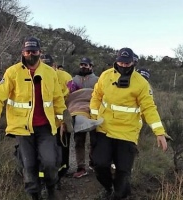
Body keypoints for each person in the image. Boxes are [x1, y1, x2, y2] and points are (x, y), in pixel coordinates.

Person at [0, 36, 72, 200]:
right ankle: (34, 195)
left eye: (34, 51)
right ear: (22, 52)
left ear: (40, 52)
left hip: (46, 127)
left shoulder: (49, 72)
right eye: (27, 51)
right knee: (29, 165)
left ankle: (52, 188)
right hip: (22, 128)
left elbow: (57, 99)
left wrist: (62, 120)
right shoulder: (12, 72)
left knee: (49, 161)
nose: (30, 54)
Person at [90, 47, 168, 199]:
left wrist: (159, 132)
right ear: (116, 61)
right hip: (105, 128)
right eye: (121, 62)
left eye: (127, 63)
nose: (124, 65)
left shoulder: (141, 83)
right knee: (99, 164)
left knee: (123, 171)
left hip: (127, 132)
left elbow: (149, 108)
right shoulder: (106, 76)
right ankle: (108, 187)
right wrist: (93, 119)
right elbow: (96, 97)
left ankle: (119, 194)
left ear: (133, 62)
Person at [40, 53, 73, 190]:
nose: (47, 68)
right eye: (44, 65)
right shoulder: (37, 76)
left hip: (62, 117)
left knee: (62, 150)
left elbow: (70, 97)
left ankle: (59, 176)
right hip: (43, 122)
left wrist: (65, 122)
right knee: (44, 153)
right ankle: (43, 180)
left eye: (49, 65)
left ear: (54, 65)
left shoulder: (66, 77)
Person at [72, 57, 99, 178]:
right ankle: (81, 167)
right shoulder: (74, 80)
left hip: (93, 113)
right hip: (78, 113)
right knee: (79, 141)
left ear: (91, 66)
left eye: (86, 65)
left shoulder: (98, 80)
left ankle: (93, 163)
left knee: (94, 141)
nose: (83, 66)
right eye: (81, 64)